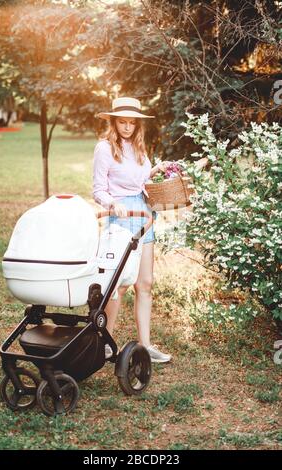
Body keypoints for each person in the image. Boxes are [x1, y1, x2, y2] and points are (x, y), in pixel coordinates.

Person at [92, 96, 172, 363]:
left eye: (131, 123)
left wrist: (156, 170)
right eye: (122, 122)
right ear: (114, 122)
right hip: (121, 214)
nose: (127, 127)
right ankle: (104, 343)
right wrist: (111, 204)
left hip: (144, 213)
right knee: (120, 284)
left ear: (138, 124)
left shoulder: (139, 148)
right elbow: (98, 189)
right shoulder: (104, 148)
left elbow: (139, 181)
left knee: (144, 283)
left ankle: (145, 345)